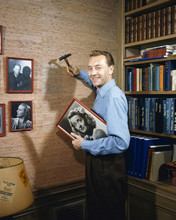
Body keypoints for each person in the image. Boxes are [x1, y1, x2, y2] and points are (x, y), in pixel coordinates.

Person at [67, 50, 130, 220]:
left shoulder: (114, 97)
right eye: (90, 68)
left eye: (98, 68)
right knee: (97, 211)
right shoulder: (102, 88)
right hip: (98, 161)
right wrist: (79, 73)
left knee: (107, 214)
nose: (93, 73)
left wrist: (84, 145)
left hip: (108, 166)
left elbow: (121, 143)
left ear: (111, 69)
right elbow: (94, 80)